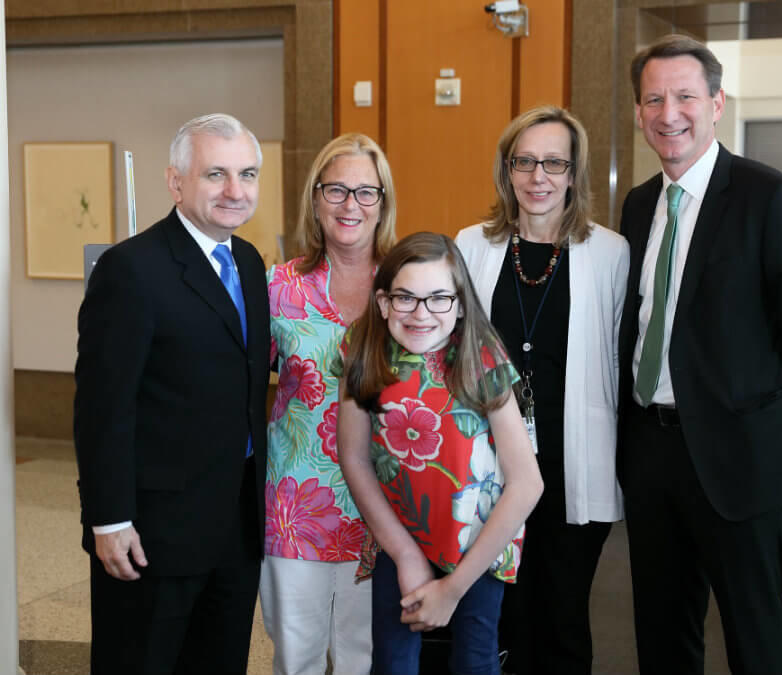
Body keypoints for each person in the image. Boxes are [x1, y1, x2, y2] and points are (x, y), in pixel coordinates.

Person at [618, 34, 782, 675]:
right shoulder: (638, 206)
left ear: (716, 104)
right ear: (638, 113)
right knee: (662, 634)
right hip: (651, 453)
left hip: (743, 457)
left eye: (686, 96)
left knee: (756, 637)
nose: (670, 113)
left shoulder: (773, 197)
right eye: (654, 99)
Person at [73, 113, 270, 674]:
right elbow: (102, 407)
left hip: (235, 524)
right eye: (216, 174)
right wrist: (108, 519)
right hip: (153, 533)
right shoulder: (131, 270)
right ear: (176, 181)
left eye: (247, 174)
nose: (235, 191)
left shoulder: (250, 263)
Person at [455, 105, 629, 675]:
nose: (538, 177)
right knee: (500, 618)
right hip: (493, 466)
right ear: (506, 171)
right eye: (524, 161)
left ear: (575, 173)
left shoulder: (610, 252)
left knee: (563, 619)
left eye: (554, 162)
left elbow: (617, 359)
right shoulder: (471, 246)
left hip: (573, 462)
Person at [335, 232, 544, 675]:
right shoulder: (362, 350)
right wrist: (407, 556)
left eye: (438, 299)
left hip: (478, 545)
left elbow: (527, 483)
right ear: (382, 302)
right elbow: (352, 458)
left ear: (461, 304)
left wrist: (453, 588)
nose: (421, 313)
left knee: (476, 661)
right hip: (398, 538)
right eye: (405, 298)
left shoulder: (481, 358)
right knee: (393, 663)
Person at [260, 132, 397, 675]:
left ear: (383, 202)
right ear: (314, 199)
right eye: (335, 189)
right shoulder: (278, 288)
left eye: (366, 192)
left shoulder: (406, 286)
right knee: (298, 658)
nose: (350, 205)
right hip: (295, 507)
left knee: (370, 658)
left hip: (385, 508)